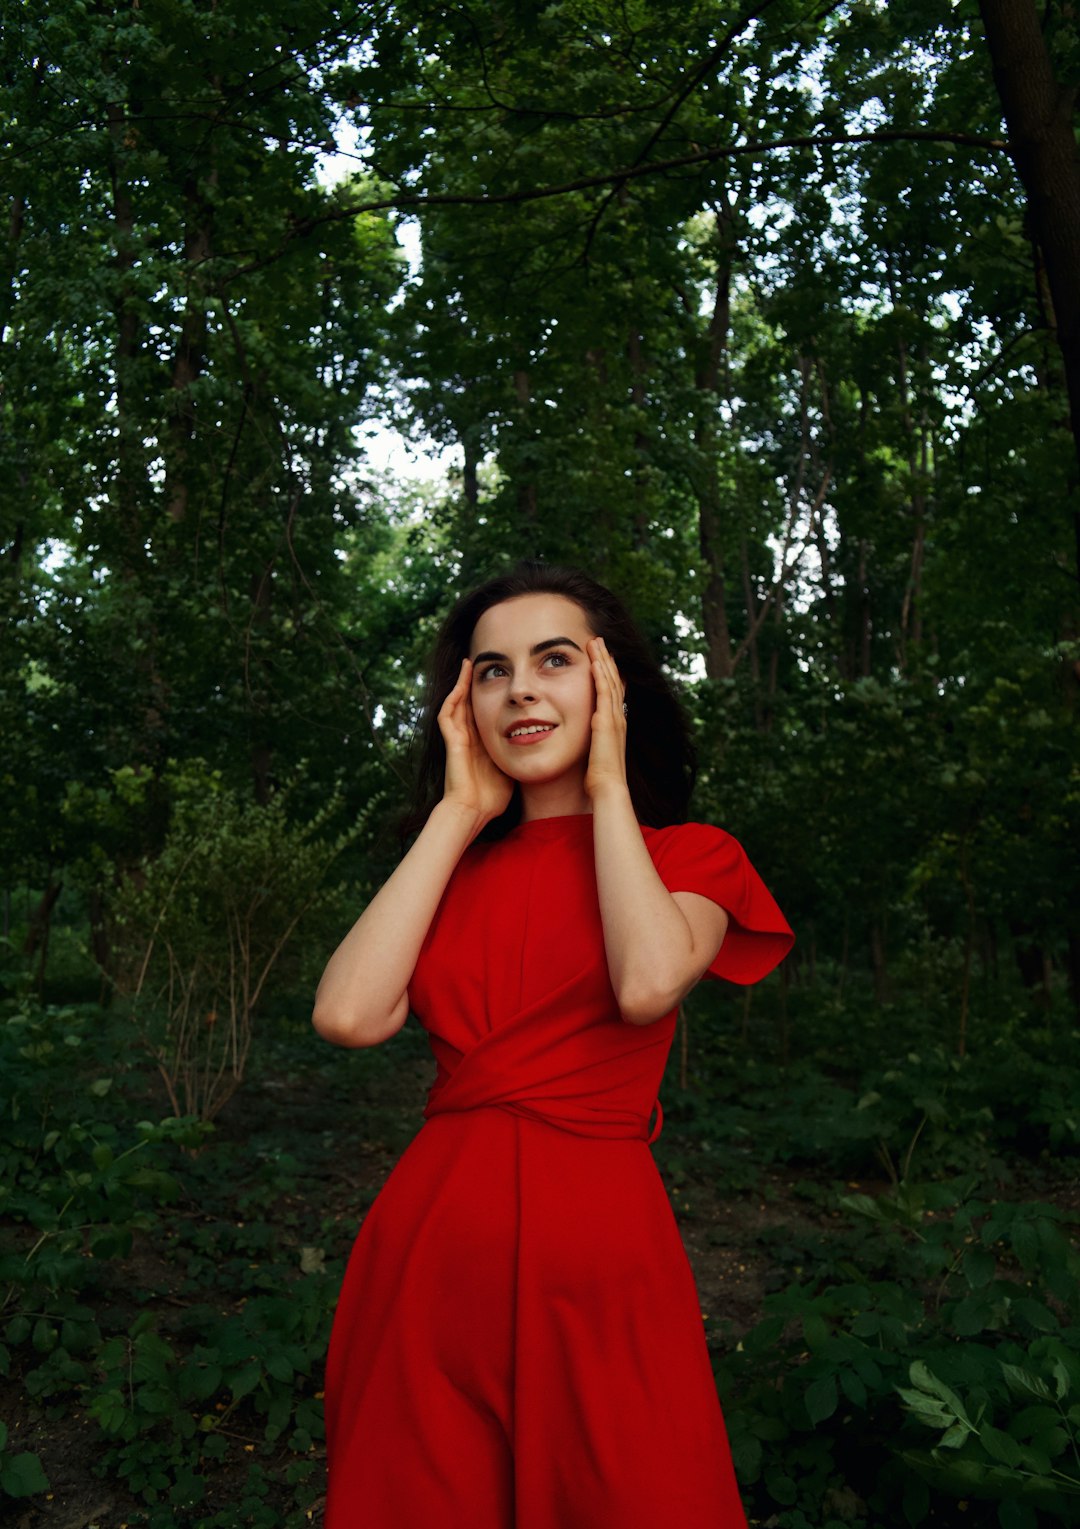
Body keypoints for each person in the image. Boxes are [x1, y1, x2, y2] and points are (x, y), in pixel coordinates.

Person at [312, 562, 793, 1529]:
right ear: (465, 704)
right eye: (491, 670)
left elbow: (647, 983)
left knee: (631, 1495)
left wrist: (609, 784)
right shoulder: (451, 866)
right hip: (428, 1263)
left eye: (554, 660)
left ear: (611, 684)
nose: (520, 687)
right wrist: (457, 812)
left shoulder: (690, 856)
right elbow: (349, 1015)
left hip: (600, 1262)